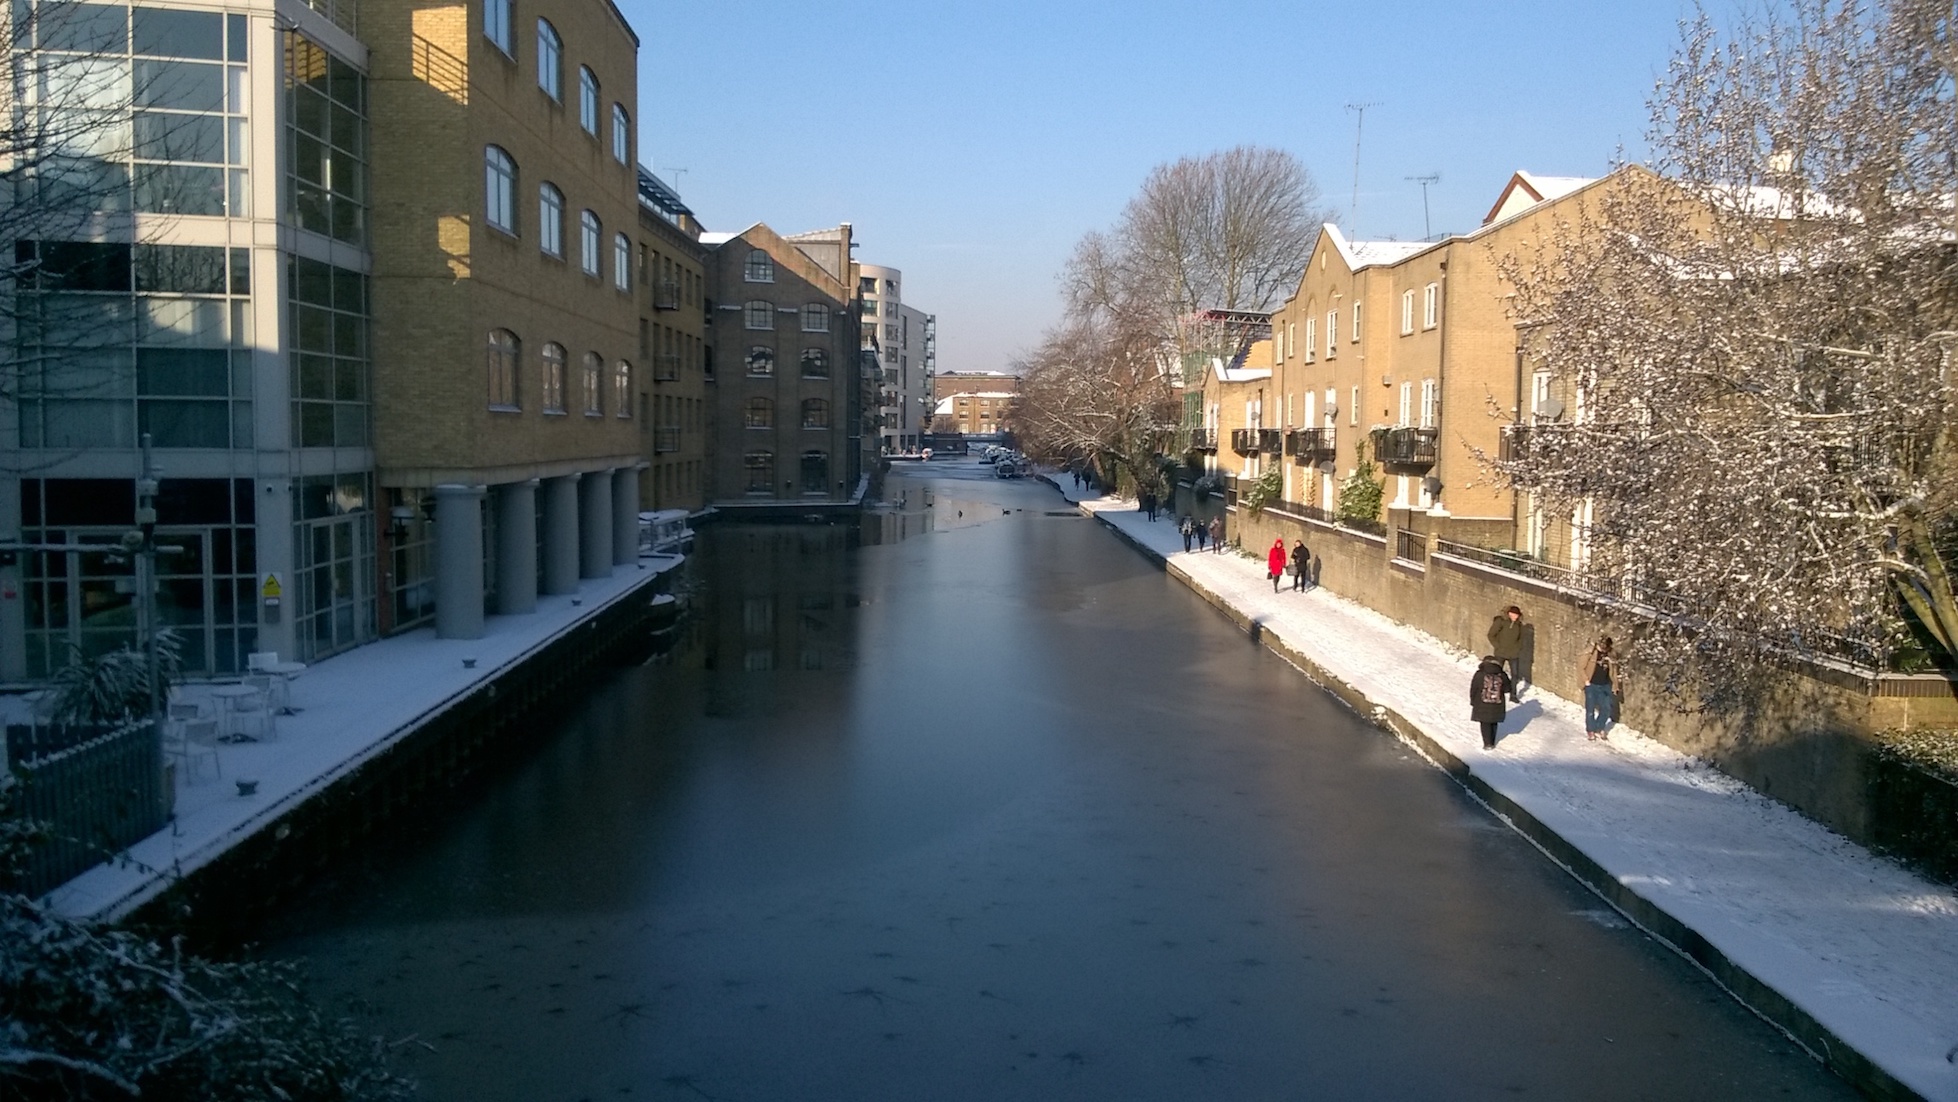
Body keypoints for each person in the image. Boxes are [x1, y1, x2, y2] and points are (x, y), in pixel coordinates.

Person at [1580, 636, 1619, 741]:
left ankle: (1599, 727)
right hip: (1591, 684)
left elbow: (1613, 672)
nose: (1604, 649)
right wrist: (1586, 680)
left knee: (1606, 709)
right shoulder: (1589, 653)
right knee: (1590, 709)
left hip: (1605, 685)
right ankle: (1590, 730)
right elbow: (1581, 667)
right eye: (1603, 647)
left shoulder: (1611, 654)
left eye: (1607, 648)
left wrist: (1615, 686)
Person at [1470, 655, 1512, 750]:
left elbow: (1474, 689)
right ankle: (1492, 741)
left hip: (1482, 702)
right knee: (1493, 722)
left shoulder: (1479, 674)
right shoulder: (1502, 674)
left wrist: (1473, 701)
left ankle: (1487, 743)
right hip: (1497, 703)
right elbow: (1507, 689)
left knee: (1484, 723)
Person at [1486, 605, 1526, 702]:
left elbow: (1521, 639)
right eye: (1512, 614)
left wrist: (1518, 648)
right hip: (1501, 652)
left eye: (1516, 614)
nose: (1514, 616)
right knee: (1497, 673)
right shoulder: (1501, 622)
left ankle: (1513, 695)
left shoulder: (1519, 625)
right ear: (1508, 613)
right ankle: (1496, 691)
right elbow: (1491, 635)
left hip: (1513, 654)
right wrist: (1497, 646)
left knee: (1515, 674)